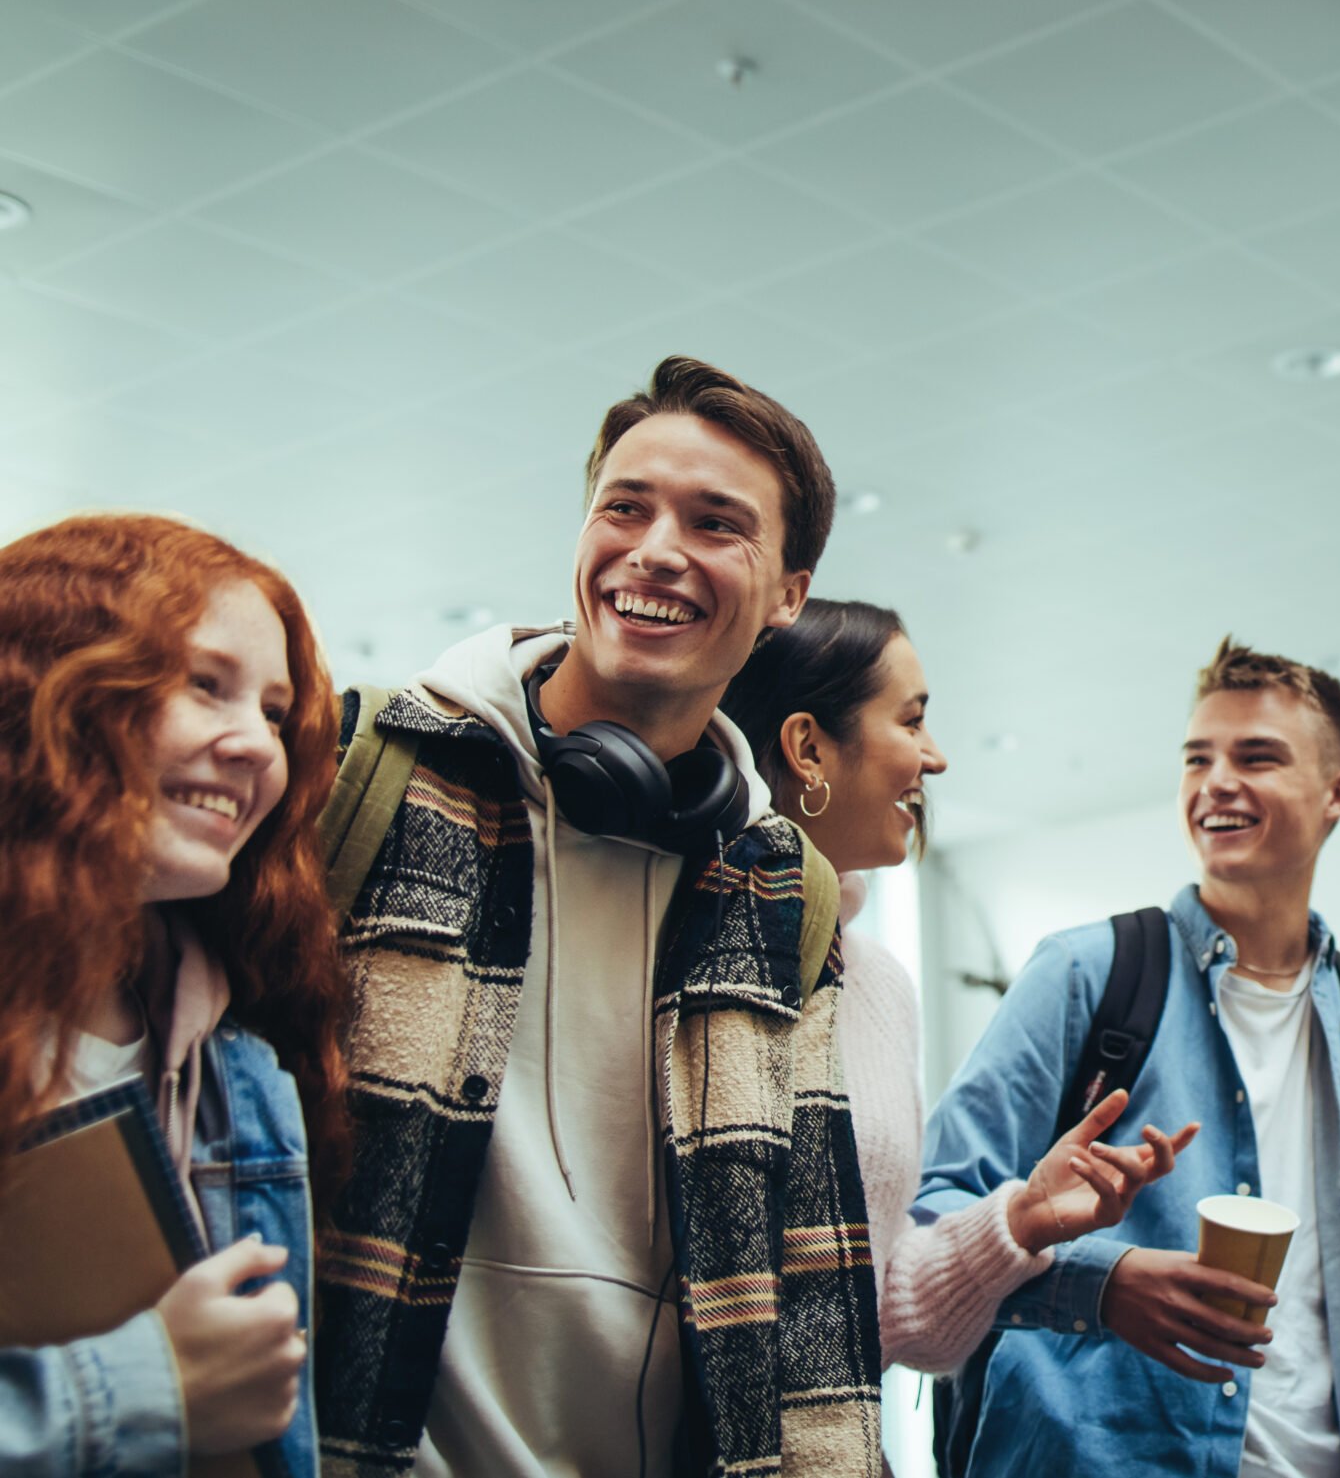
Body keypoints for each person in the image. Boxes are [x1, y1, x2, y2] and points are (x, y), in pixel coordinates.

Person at [315, 359, 880, 1478]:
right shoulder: (359, 769)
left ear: (787, 595)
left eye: (716, 524)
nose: (655, 548)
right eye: (625, 507)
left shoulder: (786, 891)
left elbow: (810, 1286)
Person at [915, 638, 1340, 1477]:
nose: (1215, 782)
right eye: (1196, 757)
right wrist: (1106, 1279)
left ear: (1336, 793)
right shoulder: (1084, 976)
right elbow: (934, 1214)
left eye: (1258, 757)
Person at [720, 600, 1201, 1377]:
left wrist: (1022, 1219)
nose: (934, 758)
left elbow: (872, 1316)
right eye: (910, 722)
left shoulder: (876, 985)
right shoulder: (680, 955)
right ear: (808, 747)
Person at [0, 513, 351, 1478]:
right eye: (204, 685)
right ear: (48, 690)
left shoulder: (243, 1073)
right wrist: (149, 1384)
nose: (256, 748)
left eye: (276, 712)